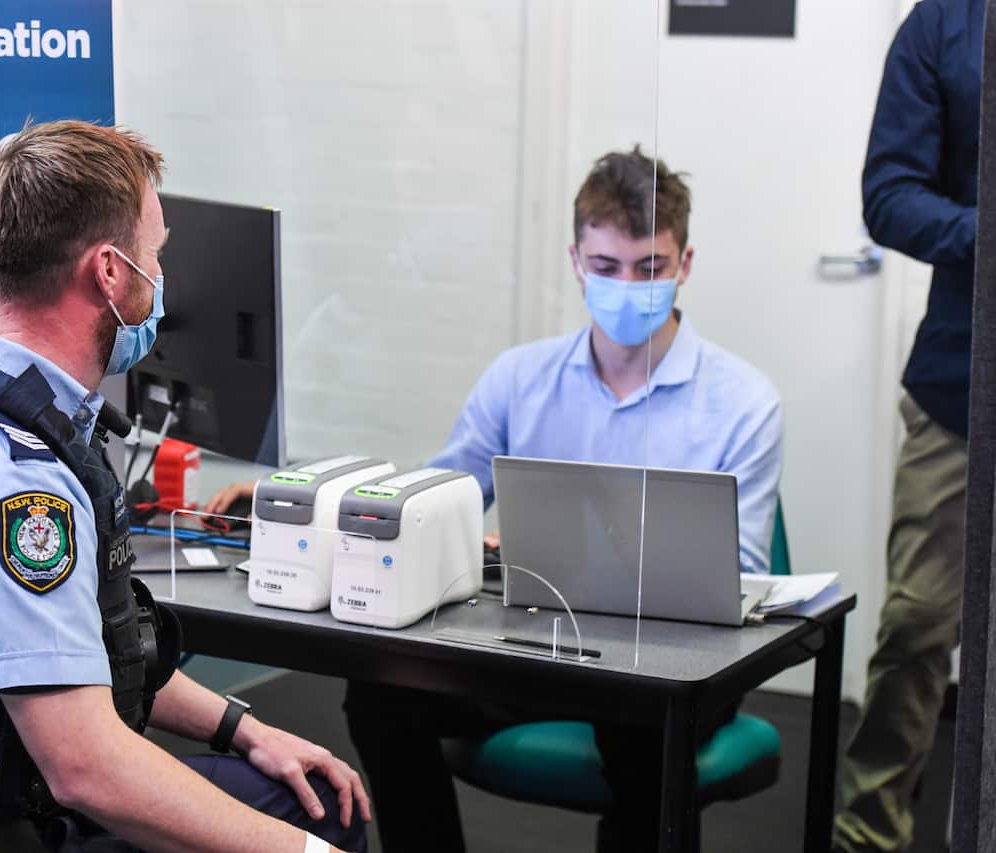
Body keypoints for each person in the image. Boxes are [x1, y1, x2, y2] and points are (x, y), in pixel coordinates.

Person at [209, 147, 783, 851]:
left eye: (651, 268)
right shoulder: (521, 379)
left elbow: (746, 577)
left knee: (643, 721)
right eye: (607, 268)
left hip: (671, 659)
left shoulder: (743, 402)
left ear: (684, 264)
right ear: (577, 259)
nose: (628, 287)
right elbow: (431, 500)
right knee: (385, 691)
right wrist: (295, 493)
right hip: (546, 641)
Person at [0, 120, 368, 853]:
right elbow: (86, 767)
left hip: (0, 802)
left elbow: (78, 656)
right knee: (315, 823)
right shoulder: (14, 480)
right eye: (156, 254)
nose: (161, 276)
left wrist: (247, 730)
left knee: (302, 786)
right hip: (19, 830)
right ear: (111, 273)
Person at [832, 2, 980, 851]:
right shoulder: (944, 24)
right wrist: (985, 231)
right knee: (919, 626)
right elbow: (889, 196)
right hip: (958, 388)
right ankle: (870, 833)